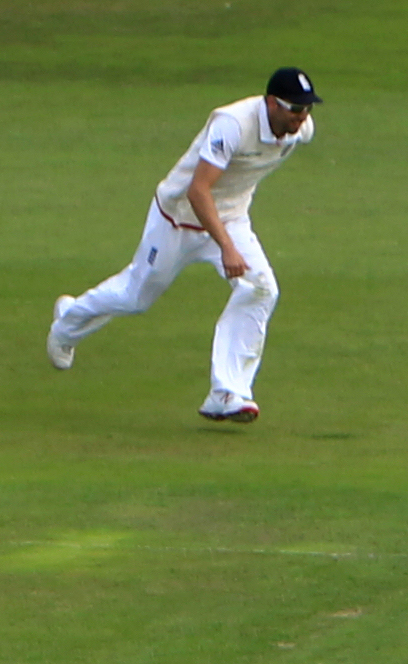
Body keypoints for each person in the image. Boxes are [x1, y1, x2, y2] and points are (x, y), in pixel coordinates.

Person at [47, 68, 320, 422]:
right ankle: (67, 323)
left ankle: (227, 392)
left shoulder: (301, 132)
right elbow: (198, 190)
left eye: (306, 110)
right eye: (294, 110)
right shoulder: (232, 124)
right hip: (176, 218)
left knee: (261, 289)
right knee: (136, 297)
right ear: (271, 103)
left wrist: (228, 235)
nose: (301, 118)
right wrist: (227, 247)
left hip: (231, 219)